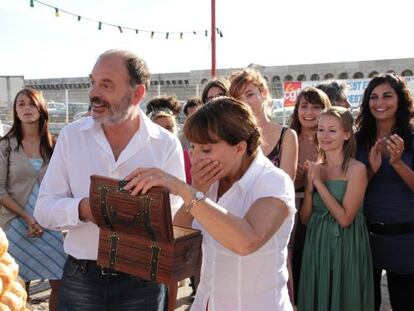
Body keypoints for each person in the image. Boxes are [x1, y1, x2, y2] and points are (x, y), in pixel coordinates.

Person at [34, 49, 185, 310]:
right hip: (81, 278)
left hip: (143, 282)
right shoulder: (71, 137)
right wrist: (84, 209)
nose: (94, 93)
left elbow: (177, 216)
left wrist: (144, 212)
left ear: (137, 93)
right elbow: (44, 210)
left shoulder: (165, 145)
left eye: (107, 85)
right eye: (93, 82)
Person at [123, 96, 296, 310]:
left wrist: (185, 190)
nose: (195, 158)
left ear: (240, 148)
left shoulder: (273, 181)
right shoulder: (211, 181)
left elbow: (246, 241)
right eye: (193, 148)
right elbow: (179, 233)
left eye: (206, 150)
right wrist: (196, 190)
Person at [297, 106, 374, 310]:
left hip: (347, 242)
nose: (325, 135)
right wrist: (310, 189)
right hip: (317, 240)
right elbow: (305, 219)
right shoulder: (315, 168)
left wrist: (319, 184)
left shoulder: (356, 169)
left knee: (345, 296)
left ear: (347, 133)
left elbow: (345, 219)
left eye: (333, 130)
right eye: (321, 129)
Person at [0, 88, 66, 311]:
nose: (27, 108)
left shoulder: (56, 145)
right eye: (21, 104)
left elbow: (65, 185)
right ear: (15, 111)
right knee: (18, 283)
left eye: (31, 104)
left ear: (41, 108)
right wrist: (27, 217)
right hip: (17, 222)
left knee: (61, 279)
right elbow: (0, 191)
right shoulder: (5, 146)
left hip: (51, 223)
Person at [355, 73, 414, 311]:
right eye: (374, 97)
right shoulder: (358, 141)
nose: (379, 102)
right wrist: (372, 169)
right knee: (367, 305)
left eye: (387, 96)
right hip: (365, 239)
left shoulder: (412, 139)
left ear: (400, 100)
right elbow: (352, 190)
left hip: (406, 240)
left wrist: (398, 163)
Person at [289, 86, 331, 304]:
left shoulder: (332, 140)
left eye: (316, 107)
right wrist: (294, 176)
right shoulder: (287, 137)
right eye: (304, 106)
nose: (309, 112)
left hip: (324, 212)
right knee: (294, 264)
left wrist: (316, 177)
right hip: (292, 213)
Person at [229, 68, 298, 180]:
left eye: (249, 94)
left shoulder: (287, 136)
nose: (244, 103)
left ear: (264, 92)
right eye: (238, 99)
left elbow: (286, 185)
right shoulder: (230, 137)